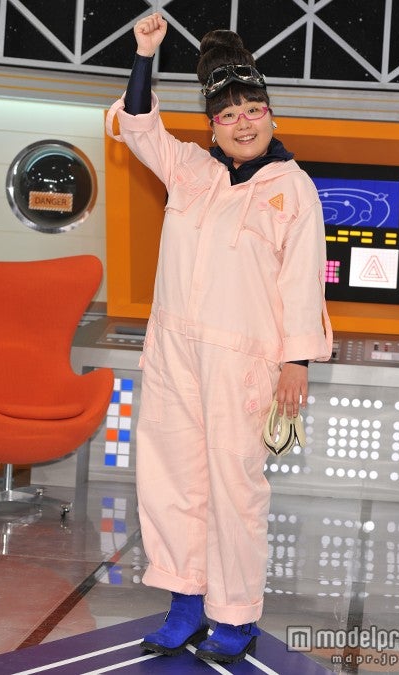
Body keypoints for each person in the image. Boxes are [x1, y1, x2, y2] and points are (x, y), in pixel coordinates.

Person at [106, 12, 332, 664]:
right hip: (174, 351)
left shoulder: (293, 190)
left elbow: (302, 281)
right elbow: (139, 124)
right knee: (172, 479)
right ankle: (185, 602)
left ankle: (234, 615)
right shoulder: (190, 171)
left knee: (236, 490)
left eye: (253, 111)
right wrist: (145, 54)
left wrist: (296, 361)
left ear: (272, 117)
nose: (243, 123)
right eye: (228, 115)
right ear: (212, 126)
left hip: (244, 361)